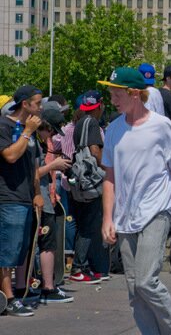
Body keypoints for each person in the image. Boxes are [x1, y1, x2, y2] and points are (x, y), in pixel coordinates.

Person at [99, 67, 171, 335]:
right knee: (134, 288)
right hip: (125, 217)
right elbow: (109, 178)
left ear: (135, 94)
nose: (113, 100)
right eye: (111, 94)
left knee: (146, 282)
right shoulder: (114, 129)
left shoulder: (161, 126)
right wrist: (108, 218)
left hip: (157, 211)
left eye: (118, 95)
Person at [0, 85, 43, 316]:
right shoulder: (4, 126)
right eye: (37, 103)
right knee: (7, 249)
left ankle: (13, 293)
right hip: (8, 196)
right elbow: (10, 155)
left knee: (19, 249)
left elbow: (33, 163)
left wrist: (37, 192)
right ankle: (8, 298)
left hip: (26, 196)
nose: (40, 108)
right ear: (25, 104)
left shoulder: (31, 128)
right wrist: (26, 131)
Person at [36, 107, 74, 304]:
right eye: (51, 131)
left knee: (48, 242)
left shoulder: (44, 142)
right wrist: (53, 166)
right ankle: (47, 287)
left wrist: (53, 190)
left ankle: (47, 284)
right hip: (37, 199)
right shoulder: (34, 143)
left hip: (47, 197)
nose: (51, 136)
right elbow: (33, 174)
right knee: (46, 243)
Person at [69, 90, 107, 284]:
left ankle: (83, 266)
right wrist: (107, 168)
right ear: (99, 105)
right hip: (90, 178)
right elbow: (94, 150)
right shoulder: (92, 123)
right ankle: (79, 266)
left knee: (84, 222)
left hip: (79, 177)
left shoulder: (79, 122)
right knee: (89, 224)